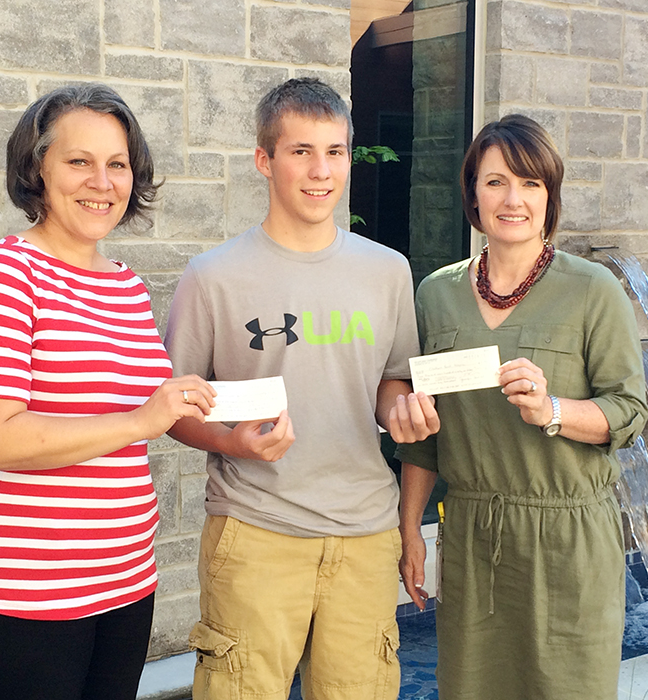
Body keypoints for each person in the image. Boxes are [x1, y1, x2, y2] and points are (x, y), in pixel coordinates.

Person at [164, 77, 440, 700]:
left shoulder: (388, 270)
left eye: (335, 152)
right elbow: (174, 410)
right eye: (300, 152)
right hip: (255, 529)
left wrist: (402, 411)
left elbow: (391, 378)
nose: (321, 172)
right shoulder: (212, 277)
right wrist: (236, 443)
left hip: (366, 534)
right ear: (265, 160)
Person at [0, 84, 216, 700]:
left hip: (125, 579)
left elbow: (151, 409)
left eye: (117, 163)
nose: (102, 181)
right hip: (28, 591)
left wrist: (232, 434)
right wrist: (137, 420)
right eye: (79, 161)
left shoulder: (124, 285)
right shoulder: (2, 274)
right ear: (37, 170)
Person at [397, 114, 648, 700]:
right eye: (496, 182)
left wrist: (554, 409)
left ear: (549, 195)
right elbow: (425, 437)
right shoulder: (436, 294)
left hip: (569, 539)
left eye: (531, 183)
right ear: (473, 194)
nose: (513, 199)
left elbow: (630, 409)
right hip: (472, 539)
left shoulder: (592, 290)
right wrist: (410, 528)